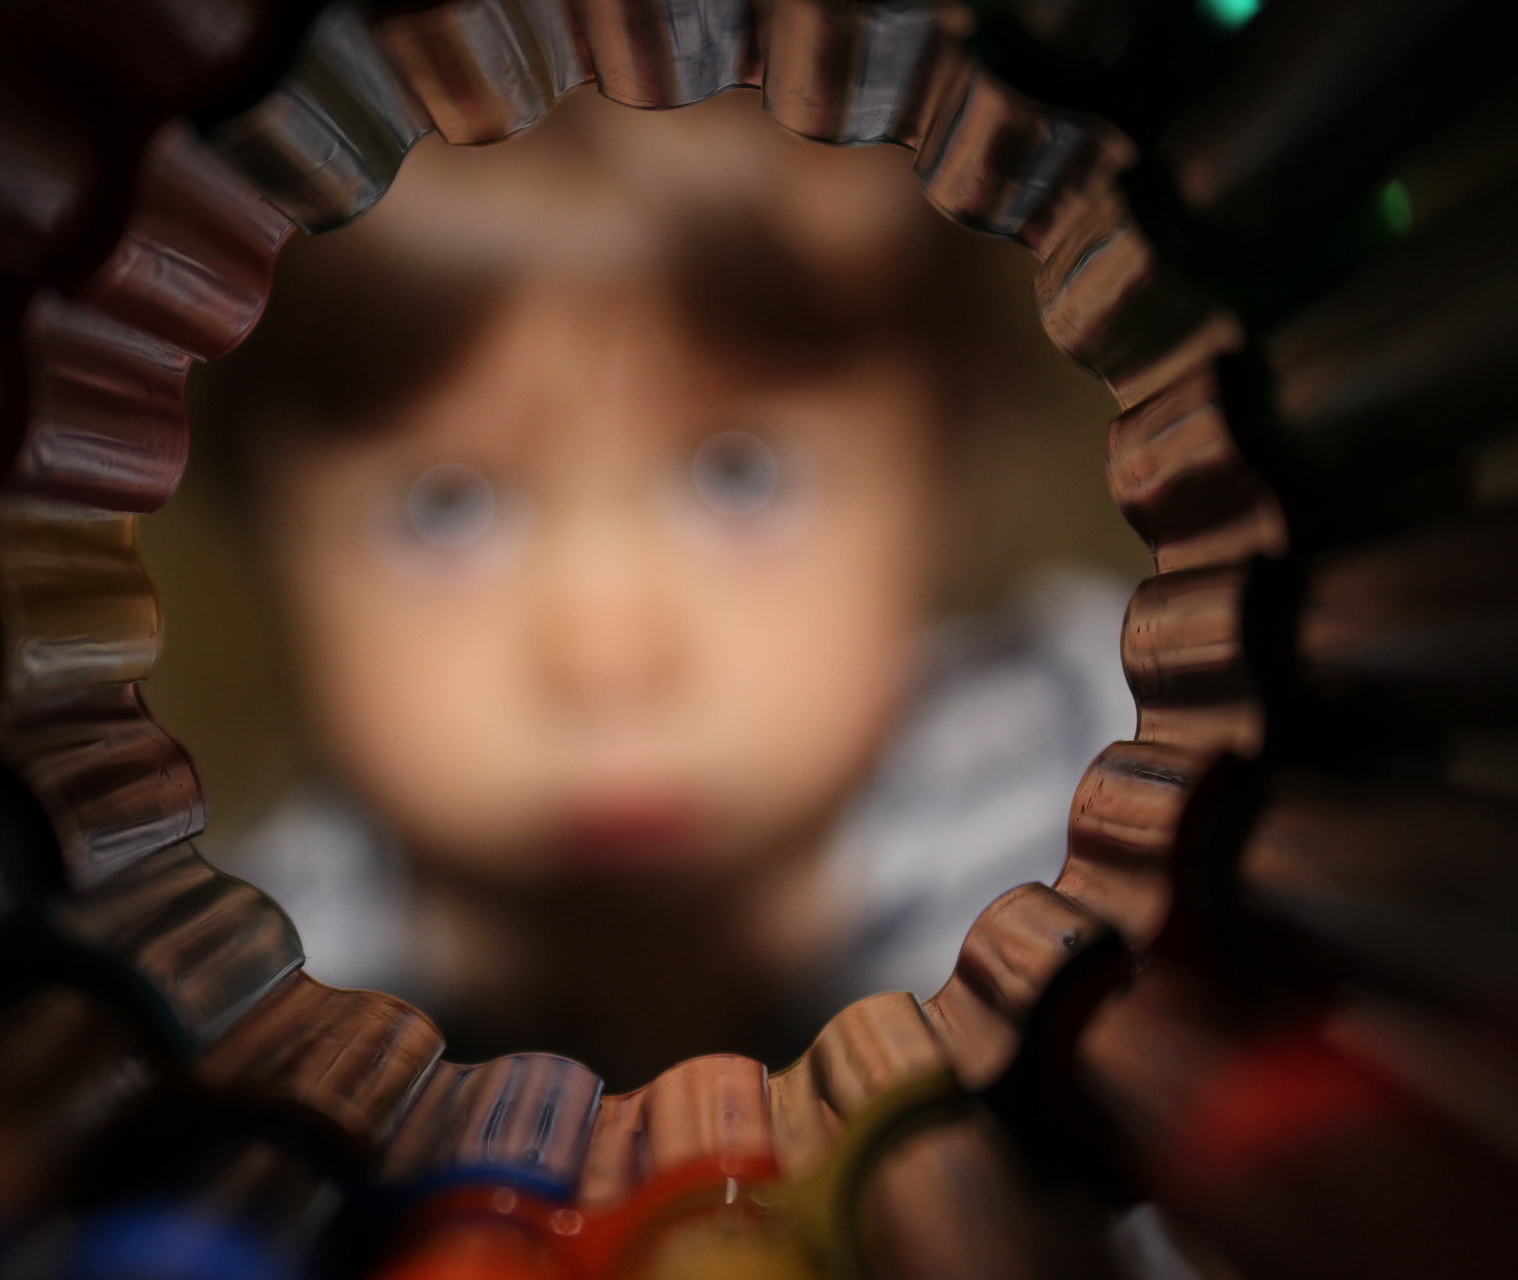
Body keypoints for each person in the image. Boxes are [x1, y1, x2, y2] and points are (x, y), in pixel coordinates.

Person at [180, 88, 1138, 1089]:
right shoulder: (240, 1011)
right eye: (443, 509)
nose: (608, 655)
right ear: (262, 524)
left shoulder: (1123, 785)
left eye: (742, 477)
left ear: (943, 473)